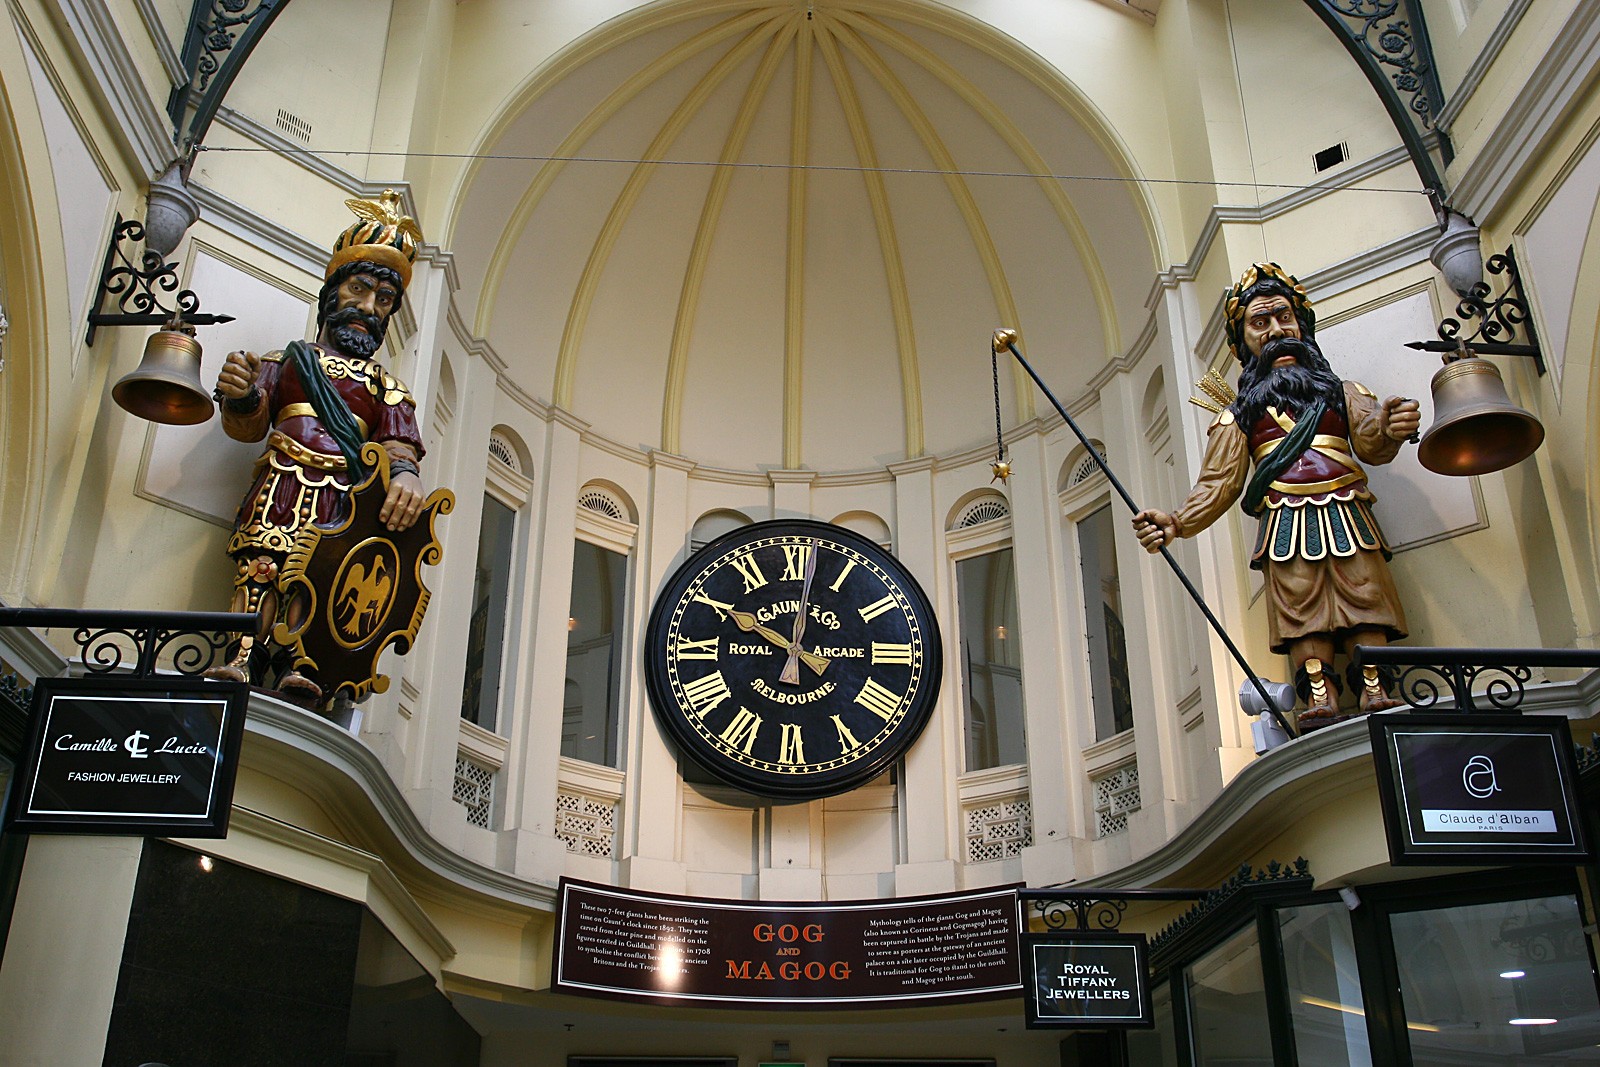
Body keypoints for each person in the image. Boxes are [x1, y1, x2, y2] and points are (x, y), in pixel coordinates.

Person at [1132, 263, 1421, 730]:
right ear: (1240, 343)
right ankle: (1318, 695)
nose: (1275, 331)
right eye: (1259, 323)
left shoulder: (1343, 393)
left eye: (1284, 318)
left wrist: (1389, 426)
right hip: (1284, 518)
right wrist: (1178, 521)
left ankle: (1375, 684)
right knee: (1300, 601)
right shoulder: (1237, 414)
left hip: (1347, 506)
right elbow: (1219, 482)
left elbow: (1370, 441)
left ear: (1302, 327)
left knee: (1364, 590)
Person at [208, 191, 428, 700]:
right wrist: (241, 396)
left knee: (320, 574)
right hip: (283, 478)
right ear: (332, 293)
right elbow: (247, 426)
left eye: (384, 300)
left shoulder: (386, 388)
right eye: (359, 289)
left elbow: (400, 449)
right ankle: (244, 655)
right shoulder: (288, 360)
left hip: (343, 497)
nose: (369, 307)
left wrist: (408, 479)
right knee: (263, 564)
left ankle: (301, 663)